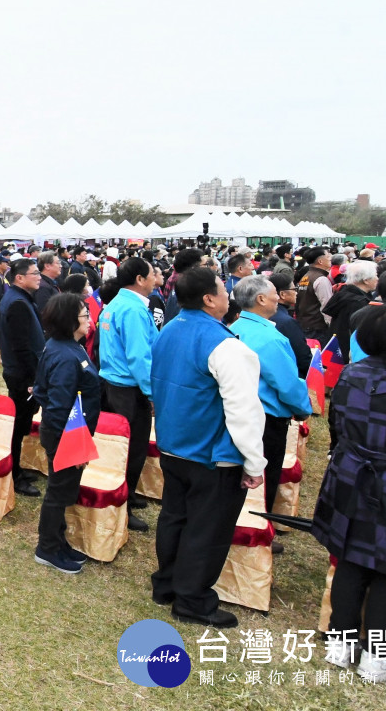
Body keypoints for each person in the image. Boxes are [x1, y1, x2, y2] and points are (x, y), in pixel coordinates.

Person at [149, 268, 265, 629]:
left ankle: (168, 583)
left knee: (175, 517)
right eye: (223, 290)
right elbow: (243, 409)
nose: (229, 295)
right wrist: (254, 461)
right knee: (207, 529)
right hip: (211, 453)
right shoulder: (226, 345)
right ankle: (193, 599)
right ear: (208, 299)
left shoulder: (168, 331)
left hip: (173, 444)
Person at [312, 303, 386, 683]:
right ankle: (378, 657)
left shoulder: (353, 374)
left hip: (351, 475)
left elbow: (335, 424)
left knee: (351, 558)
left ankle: (341, 644)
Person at [229, 276, 312, 533]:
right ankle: (258, 529)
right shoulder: (270, 338)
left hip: (234, 412)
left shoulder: (233, 328)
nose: (280, 297)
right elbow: (287, 384)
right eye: (276, 292)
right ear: (261, 299)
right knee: (264, 478)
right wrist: (302, 408)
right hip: (266, 419)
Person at [32, 293, 100, 574]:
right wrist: (71, 446)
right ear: (70, 320)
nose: (89, 320)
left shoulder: (70, 346)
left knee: (63, 490)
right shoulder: (63, 355)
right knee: (58, 494)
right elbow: (59, 404)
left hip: (74, 431)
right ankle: (47, 548)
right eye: (85, 315)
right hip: (66, 435)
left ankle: (58, 540)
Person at [97, 257, 158, 532]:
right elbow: (138, 356)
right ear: (140, 280)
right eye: (152, 274)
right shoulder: (132, 309)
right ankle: (123, 503)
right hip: (128, 387)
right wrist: (151, 392)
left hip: (113, 383)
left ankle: (127, 495)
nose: (156, 278)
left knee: (120, 445)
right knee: (131, 450)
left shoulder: (116, 304)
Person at [0, 258, 44, 498]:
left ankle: (18, 468)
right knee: (17, 425)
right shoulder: (16, 303)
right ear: (19, 278)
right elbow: (23, 347)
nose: (39, 277)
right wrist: (35, 380)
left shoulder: (19, 298)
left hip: (22, 373)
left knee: (22, 424)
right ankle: (14, 473)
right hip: (22, 375)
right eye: (34, 273)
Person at [322, 258, 377, 361]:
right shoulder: (358, 302)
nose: (377, 279)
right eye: (375, 276)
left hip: (336, 349)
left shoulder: (344, 294)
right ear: (365, 280)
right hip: (348, 353)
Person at [267, 272, 311, 378]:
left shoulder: (267, 314)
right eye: (294, 289)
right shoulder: (287, 322)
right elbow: (302, 357)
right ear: (282, 294)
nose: (296, 292)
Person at [295, 246, 334, 342]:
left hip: (306, 323)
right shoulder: (321, 279)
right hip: (317, 327)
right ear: (320, 261)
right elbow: (327, 306)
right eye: (328, 257)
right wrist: (331, 326)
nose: (331, 259)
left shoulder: (307, 276)